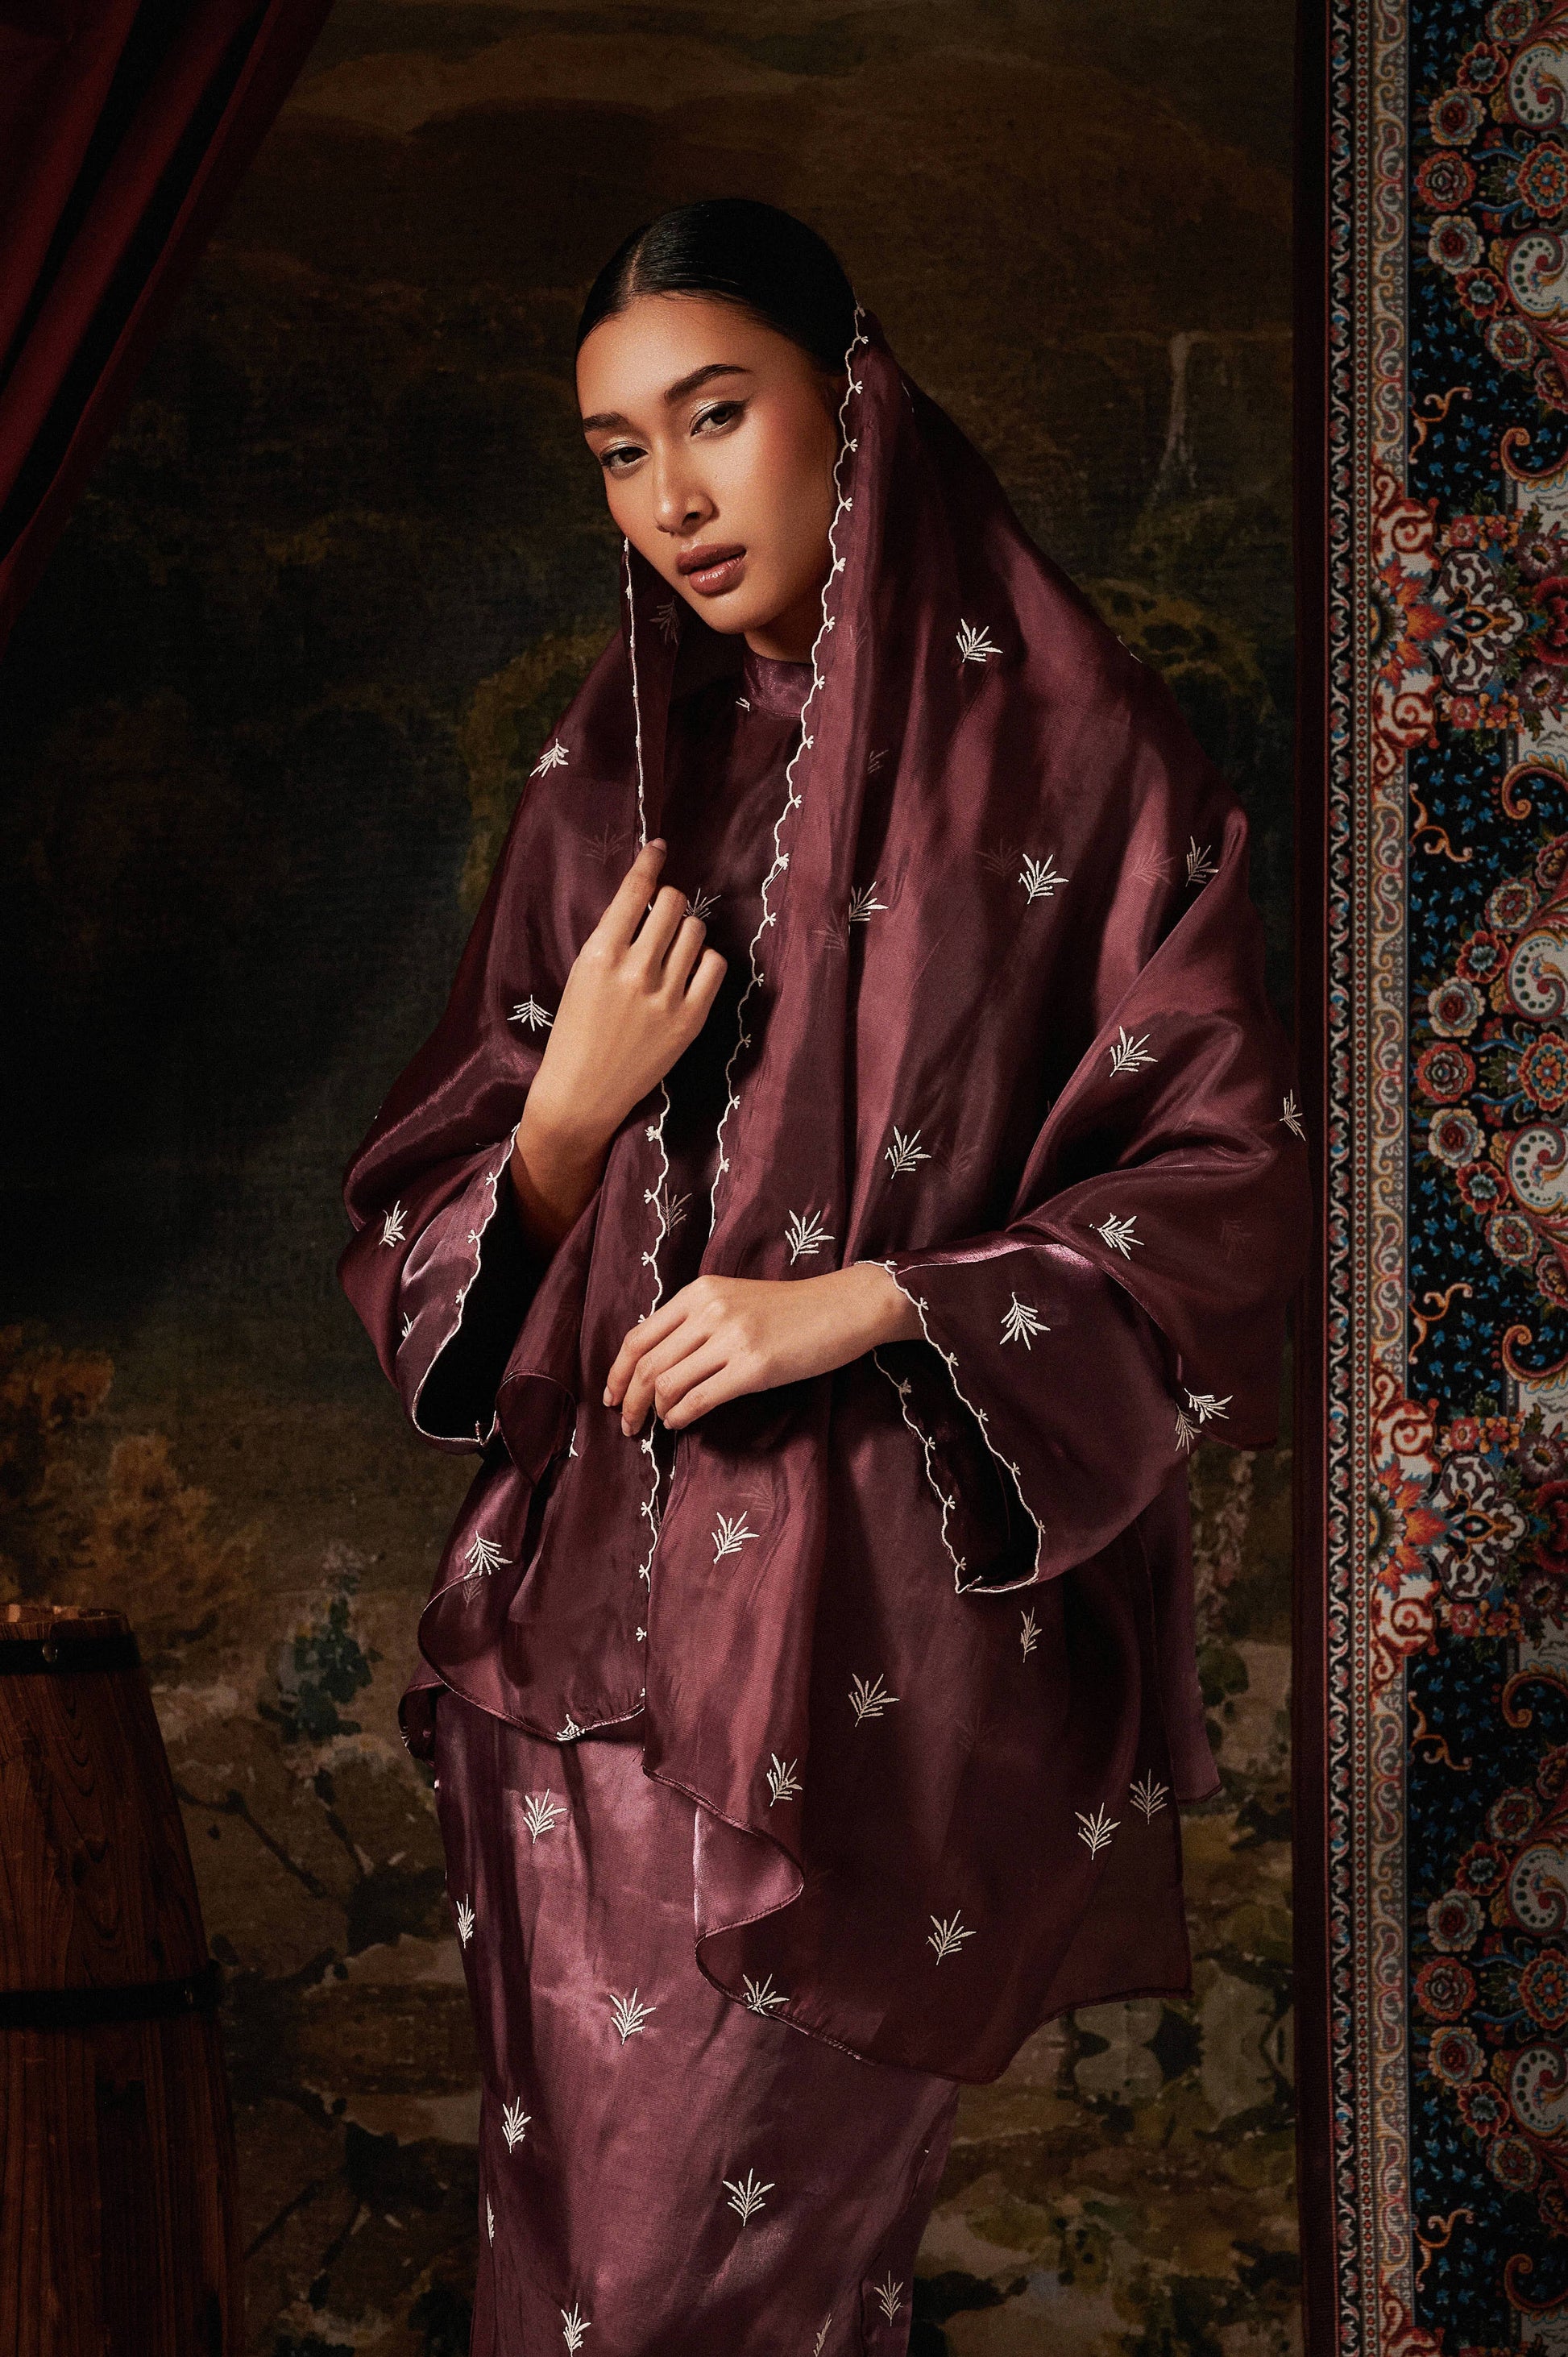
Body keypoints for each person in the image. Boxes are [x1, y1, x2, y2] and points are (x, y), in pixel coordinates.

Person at [338, 197, 1313, 2357]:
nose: (670, 497)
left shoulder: (1081, 763)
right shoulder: (611, 778)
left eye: (716, 417)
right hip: (567, 1669)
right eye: (618, 451)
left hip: (864, 1661)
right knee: (575, 2298)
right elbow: (438, 1231)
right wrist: (565, 1125)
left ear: (852, 400)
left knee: (724, 2298)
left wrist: (873, 1303)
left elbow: (1228, 1174)